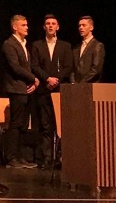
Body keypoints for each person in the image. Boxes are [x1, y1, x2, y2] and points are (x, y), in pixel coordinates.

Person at [30, 14, 73, 169]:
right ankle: (47, 158)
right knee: (45, 125)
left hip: (59, 90)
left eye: (53, 23)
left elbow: (68, 67)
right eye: (47, 23)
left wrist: (57, 80)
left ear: (58, 27)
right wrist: (47, 78)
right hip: (43, 90)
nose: (50, 26)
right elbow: (34, 66)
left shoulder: (65, 46)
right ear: (44, 27)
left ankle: (61, 157)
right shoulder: (37, 45)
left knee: (61, 125)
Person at [0, 14, 39, 169]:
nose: (27, 27)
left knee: (23, 124)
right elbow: (15, 67)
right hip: (16, 88)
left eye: (26, 25)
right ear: (15, 27)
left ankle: (20, 156)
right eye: (23, 25)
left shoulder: (23, 44)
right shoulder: (9, 44)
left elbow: (27, 66)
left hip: (25, 88)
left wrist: (32, 83)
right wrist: (33, 78)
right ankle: (11, 157)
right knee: (16, 123)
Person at [73, 15, 105, 83]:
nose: (81, 27)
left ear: (91, 27)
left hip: (91, 85)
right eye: (79, 25)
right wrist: (73, 82)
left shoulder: (97, 45)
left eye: (84, 25)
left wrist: (82, 83)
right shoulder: (76, 48)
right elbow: (73, 68)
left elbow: (96, 69)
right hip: (76, 86)